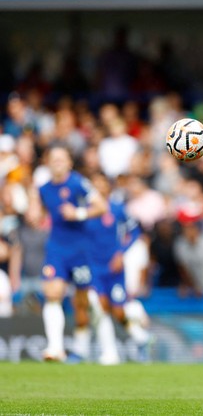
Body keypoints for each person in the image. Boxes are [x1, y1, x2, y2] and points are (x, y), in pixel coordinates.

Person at [29, 146, 107, 362]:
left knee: (82, 303)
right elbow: (36, 212)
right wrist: (34, 213)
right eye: (53, 158)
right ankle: (55, 348)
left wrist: (78, 213)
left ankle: (82, 349)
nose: (57, 162)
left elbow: (101, 206)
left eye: (61, 158)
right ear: (47, 162)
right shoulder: (43, 188)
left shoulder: (78, 183)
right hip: (56, 248)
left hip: (80, 250)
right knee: (52, 293)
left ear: (69, 163)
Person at [85, 173, 154, 364]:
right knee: (99, 308)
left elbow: (134, 231)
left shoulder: (117, 209)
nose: (99, 188)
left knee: (118, 310)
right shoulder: (86, 211)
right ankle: (109, 353)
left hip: (114, 268)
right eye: (95, 184)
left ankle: (141, 338)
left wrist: (120, 253)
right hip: (94, 267)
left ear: (108, 187)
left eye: (102, 184)